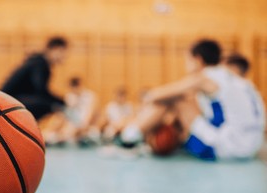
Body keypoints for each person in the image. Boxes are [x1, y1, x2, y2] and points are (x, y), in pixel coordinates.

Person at [119, 39, 265, 160]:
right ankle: (135, 136)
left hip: (228, 149)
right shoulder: (237, 80)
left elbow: (155, 95)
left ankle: (128, 139)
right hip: (252, 147)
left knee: (177, 99)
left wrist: (144, 105)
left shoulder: (205, 77)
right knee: (184, 102)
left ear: (197, 60)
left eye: (187, 60)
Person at [0, 36, 68, 120]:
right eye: (62, 51)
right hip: (7, 102)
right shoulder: (39, 64)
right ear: (53, 49)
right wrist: (62, 102)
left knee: (49, 104)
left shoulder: (39, 62)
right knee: (46, 105)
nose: (64, 56)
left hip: (14, 99)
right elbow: (41, 90)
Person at [43, 77, 98, 146]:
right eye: (72, 89)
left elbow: (90, 114)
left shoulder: (90, 96)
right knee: (58, 118)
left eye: (75, 89)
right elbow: (65, 114)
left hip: (83, 123)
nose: (73, 91)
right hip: (71, 122)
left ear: (80, 86)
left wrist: (83, 126)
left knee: (70, 130)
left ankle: (58, 138)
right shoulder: (69, 96)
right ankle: (49, 136)